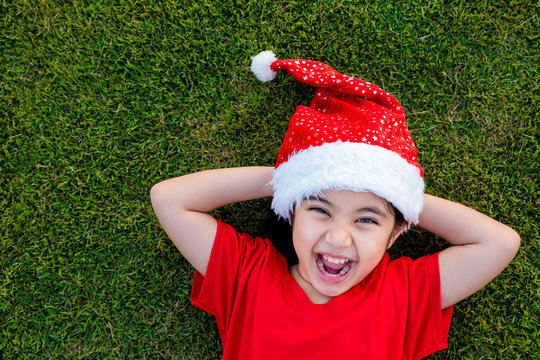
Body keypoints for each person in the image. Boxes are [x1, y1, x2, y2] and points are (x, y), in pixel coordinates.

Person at [150, 51, 520, 359]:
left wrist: (400, 195)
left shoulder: (403, 293)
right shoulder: (248, 275)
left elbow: (499, 243)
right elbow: (169, 199)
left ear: (395, 234)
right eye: (320, 209)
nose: (339, 238)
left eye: (367, 220)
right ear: (292, 213)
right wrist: (288, 178)